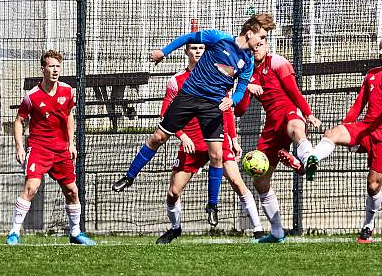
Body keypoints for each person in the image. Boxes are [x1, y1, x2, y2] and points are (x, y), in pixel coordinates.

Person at [111, 13, 275, 227]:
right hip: (189, 96)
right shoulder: (219, 38)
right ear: (250, 33)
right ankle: (129, 176)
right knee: (158, 137)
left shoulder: (248, 62)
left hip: (212, 106)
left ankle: (212, 205)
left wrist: (232, 101)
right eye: (261, 37)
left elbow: (241, 88)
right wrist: (164, 52)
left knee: (217, 156)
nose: (262, 42)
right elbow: (188, 38)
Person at [303, 35, 382, 243]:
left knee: (373, 186)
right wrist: (346, 124)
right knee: (333, 133)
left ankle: (368, 225)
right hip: (366, 128)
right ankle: (311, 158)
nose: (380, 52)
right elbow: (358, 105)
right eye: (380, 48)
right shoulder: (371, 75)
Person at [155, 41, 265, 244]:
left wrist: (233, 138)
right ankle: (175, 229)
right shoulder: (176, 81)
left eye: (201, 48)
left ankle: (258, 231)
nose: (198, 51)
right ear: (186, 51)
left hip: (217, 140)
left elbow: (227, 109)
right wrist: (182, 136)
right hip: (192, 143)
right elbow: (165, 114)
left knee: (237, 182)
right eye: (193, 48)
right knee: (173, 192)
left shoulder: (219, 73)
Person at [234, 36, 322, 243]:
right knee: (260, 182)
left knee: (296, 128)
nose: (256, 48)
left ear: (267, 45)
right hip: (271, 125)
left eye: (260, 44)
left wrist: (307, 113)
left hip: (289, 112)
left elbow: (294, 91)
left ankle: (308, 159)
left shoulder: (278, 62)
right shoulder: (246, 72)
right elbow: (239, 110)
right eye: (253, 46)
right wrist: (245, 88)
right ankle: (276, 232)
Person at [7, 50, 95, 246]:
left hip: (61, 150)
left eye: (58, 66)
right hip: (39, 148)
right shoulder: (31, 96)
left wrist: (71, 143)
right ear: (43, 69)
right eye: (51, 66)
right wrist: (20, 147)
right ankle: (14, 232)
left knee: (72, 191)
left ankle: (75, 233)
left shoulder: (67, 91)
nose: (55, 70)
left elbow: (69, 115)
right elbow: (19, 121)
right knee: (32, 187)